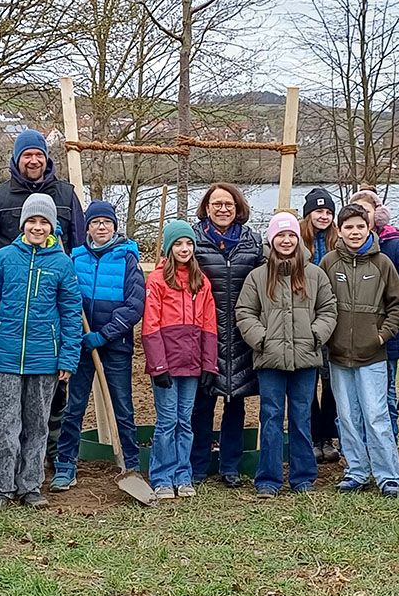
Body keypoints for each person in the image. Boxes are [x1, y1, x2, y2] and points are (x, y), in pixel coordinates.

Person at [0, 130, 85, 464]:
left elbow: (79, 246)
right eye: (27, 156)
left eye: (38, 154)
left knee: (52, 392)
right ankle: (12, 460)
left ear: (46, 158)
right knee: (10, 400)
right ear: (17, 159)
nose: (33, 161)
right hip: (12, 311)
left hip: (50, 305)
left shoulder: (66, 194)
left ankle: (48, 456)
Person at [0, 194, 83, 510]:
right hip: (6, 356)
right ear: (23, 223)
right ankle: (1, 486)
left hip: (44, 359)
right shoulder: (4, 259)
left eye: (43, 222)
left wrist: (67, 357)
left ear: (52, 226)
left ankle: (30, 485)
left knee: (37, 425)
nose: (37, 227)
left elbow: (71, 313)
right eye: (32, 221)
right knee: (4, 425)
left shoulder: (62, 263)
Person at [235, 213, 338, 498]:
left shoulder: (315, 274)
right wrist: (262, 338)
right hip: (270, 359)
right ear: (271, 239)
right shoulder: (258, 276)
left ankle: (303, 476)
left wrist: (315, 335)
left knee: (301, 416)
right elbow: (245, 312)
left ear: (297, 238)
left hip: (306, 359)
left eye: (291, 235)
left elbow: (328, 310)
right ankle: (268, 478)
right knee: (271, 417)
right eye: (280, 235)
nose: (286, 240)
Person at [52, 201, 146, 491]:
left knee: (123, 406)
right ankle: (65, 464)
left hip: (115, 345)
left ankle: (131, 464)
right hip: (81, 344)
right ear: (88, 228)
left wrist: (104, 334)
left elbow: (134, 305)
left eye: (106, 222)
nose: (101, 227)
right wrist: (80, 334)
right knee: (74, 406)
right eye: (95, 223)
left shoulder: (127, 258)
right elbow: (64, 297)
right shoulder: (75, 259)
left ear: (115, 226)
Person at [320, 203, 399, 496]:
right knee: (346, 416)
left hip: (372, 354)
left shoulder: (382, 263)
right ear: (340, 231)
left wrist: (381, 336)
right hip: (338, 355)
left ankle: (388, 475)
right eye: (349, 227)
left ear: (369, 228)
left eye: (360, 226)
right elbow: (320, 304)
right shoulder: (329, 263)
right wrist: (328, 337)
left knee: (376, 415)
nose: (355, 232)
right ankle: (356, 470)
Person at [188, 183, 266, 488]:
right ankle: (198, 464)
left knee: (236, 401)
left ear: (238, 209)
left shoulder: (253, 243)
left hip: (241, 332)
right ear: (206, 208)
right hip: (205, 332)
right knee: (202, 402)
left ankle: (230, 465)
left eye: (228, 205)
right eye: (216, 204)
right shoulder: (194, 241)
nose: (223, 209)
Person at [142, 220, 218, 500]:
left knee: (185, 421)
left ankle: (182, 475)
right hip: (167, 363)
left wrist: (209, 364)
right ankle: (162, 476)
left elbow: (210, 326)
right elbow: (150, 325)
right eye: (178, 244)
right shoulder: (158, 280)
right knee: (166, 421)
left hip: (193, 363)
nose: (184, 249)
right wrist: (158, 365)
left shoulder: (202, 281)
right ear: (169, 248)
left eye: (188, 244)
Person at [349, 187, 399, 440]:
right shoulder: (346, 246)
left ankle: (389, 444)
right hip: (354, 336)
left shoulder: (394, 245)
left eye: (368, 210)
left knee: (385, 393)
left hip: (388, 335)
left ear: (377, 214)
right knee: (357, 395)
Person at [300, 188, 340, 463]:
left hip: (332, 319)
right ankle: (313, 435)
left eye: (328, 212)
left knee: (331, 382)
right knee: (308, 382)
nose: (323, 216)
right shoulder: (300, 243)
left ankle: (328, 435)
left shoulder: (338, 242)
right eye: (319, 211)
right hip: (304, 319)